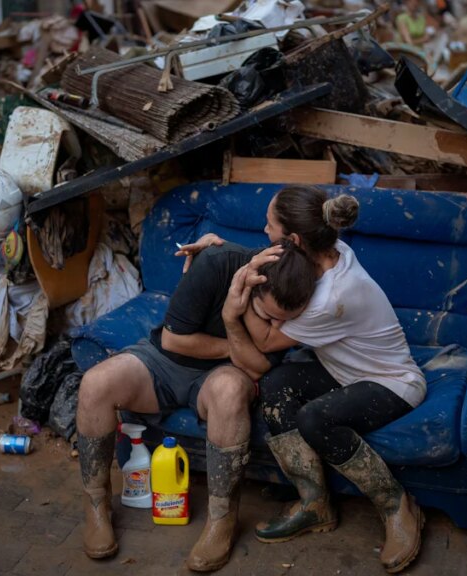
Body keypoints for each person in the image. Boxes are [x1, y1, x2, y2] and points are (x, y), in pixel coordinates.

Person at [177, 186, 427, 574]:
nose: (263, 230)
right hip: (343, 371)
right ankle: (315, 505)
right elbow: (274, 260)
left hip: (391, 381)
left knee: (315, 418)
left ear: (292, 239)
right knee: (276, 386)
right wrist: (218, 247)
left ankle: (397, 505)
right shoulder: (328, 249)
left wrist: (237, 297)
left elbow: (262, 343)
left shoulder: (331, 297)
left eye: (269, 224)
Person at [76, 240, 315, 572]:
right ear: (250, 283)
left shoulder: (299, 293)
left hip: (223, 376)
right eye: (266, 316)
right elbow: (175, 340)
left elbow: (258, 368)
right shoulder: (216, 263)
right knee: (95, 384)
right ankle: (96, 505)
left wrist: (234, 323)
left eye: (283, 323)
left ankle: (222, 519)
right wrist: (237, 347)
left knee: (230, 390)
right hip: (165, 359)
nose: (274, 330)